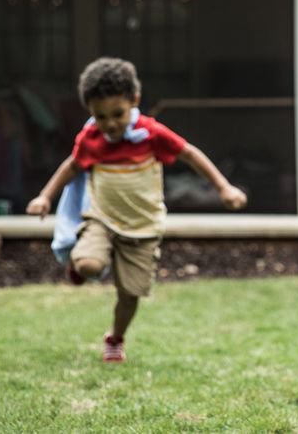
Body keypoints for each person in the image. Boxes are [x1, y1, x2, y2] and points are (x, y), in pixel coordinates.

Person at [26, 57, 247, 363]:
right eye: (100, 117)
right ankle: (81, 265)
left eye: (117, 114)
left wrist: (224, 187)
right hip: (102, 219)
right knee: (89, 265)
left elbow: (190, 155)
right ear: (90, 112)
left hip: (143, 228)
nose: (111, 124)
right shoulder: (91, 138)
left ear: (134, 101)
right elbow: (72, 166)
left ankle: (115, 338)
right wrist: (44, 197)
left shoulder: (151, 134)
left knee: (129, 294)